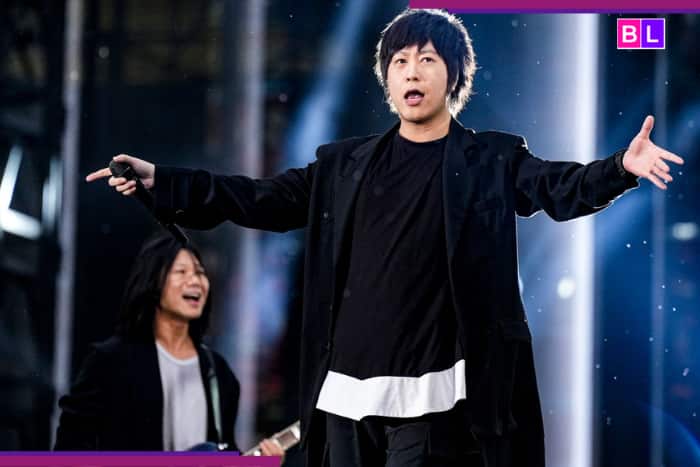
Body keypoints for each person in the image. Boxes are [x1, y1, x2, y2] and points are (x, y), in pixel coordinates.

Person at [85, 8, 684, 467]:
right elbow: (258, 197)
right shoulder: (343, 166)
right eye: (399, 61)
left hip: (435, 397)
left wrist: (621, 168)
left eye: (427, 59)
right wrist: (163, 180)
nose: (412, 71)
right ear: (387, 80)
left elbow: (560, 187)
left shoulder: (489, 161)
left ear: (454, 76)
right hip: (345, 394)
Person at [54, 233, 284, 458]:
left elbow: (225, 452)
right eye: (181, 272)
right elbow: (69, 449)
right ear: (153, 281)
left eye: (200, 272)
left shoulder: (217, 371)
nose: (195, 281)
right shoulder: (111, 361)